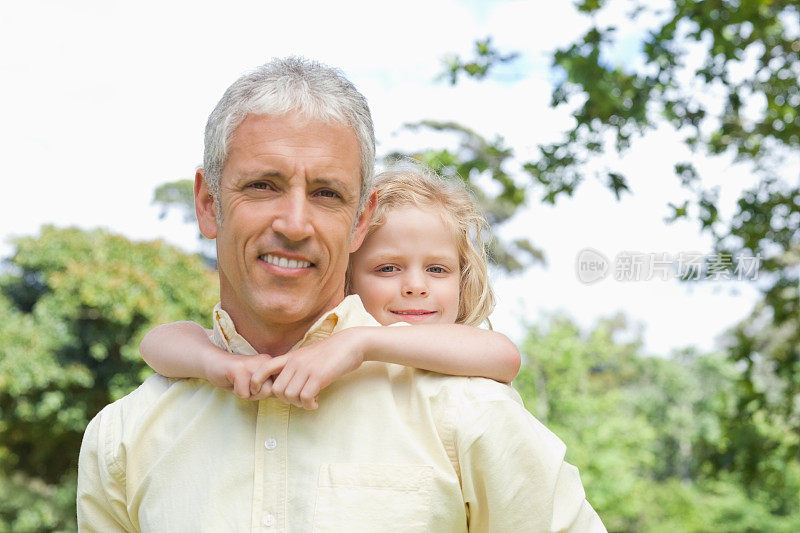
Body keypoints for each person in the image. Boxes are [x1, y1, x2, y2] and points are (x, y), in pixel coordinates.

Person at [77, 57, 605, 532]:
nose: (295, 223)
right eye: (264, 185)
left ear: (360, 222)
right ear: (209, 204)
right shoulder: (124, 438)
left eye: (327, 193)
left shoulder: (465, 408)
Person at [138, 168, 521, 409]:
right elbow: (157, 342)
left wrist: (360, 343)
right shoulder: (316, 345)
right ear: (346, 275)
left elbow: (504, 355)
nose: (416, 286)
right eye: (388, 268)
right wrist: (221, 364)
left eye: (438, 269)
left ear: (463, 279)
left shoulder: (461, 359)